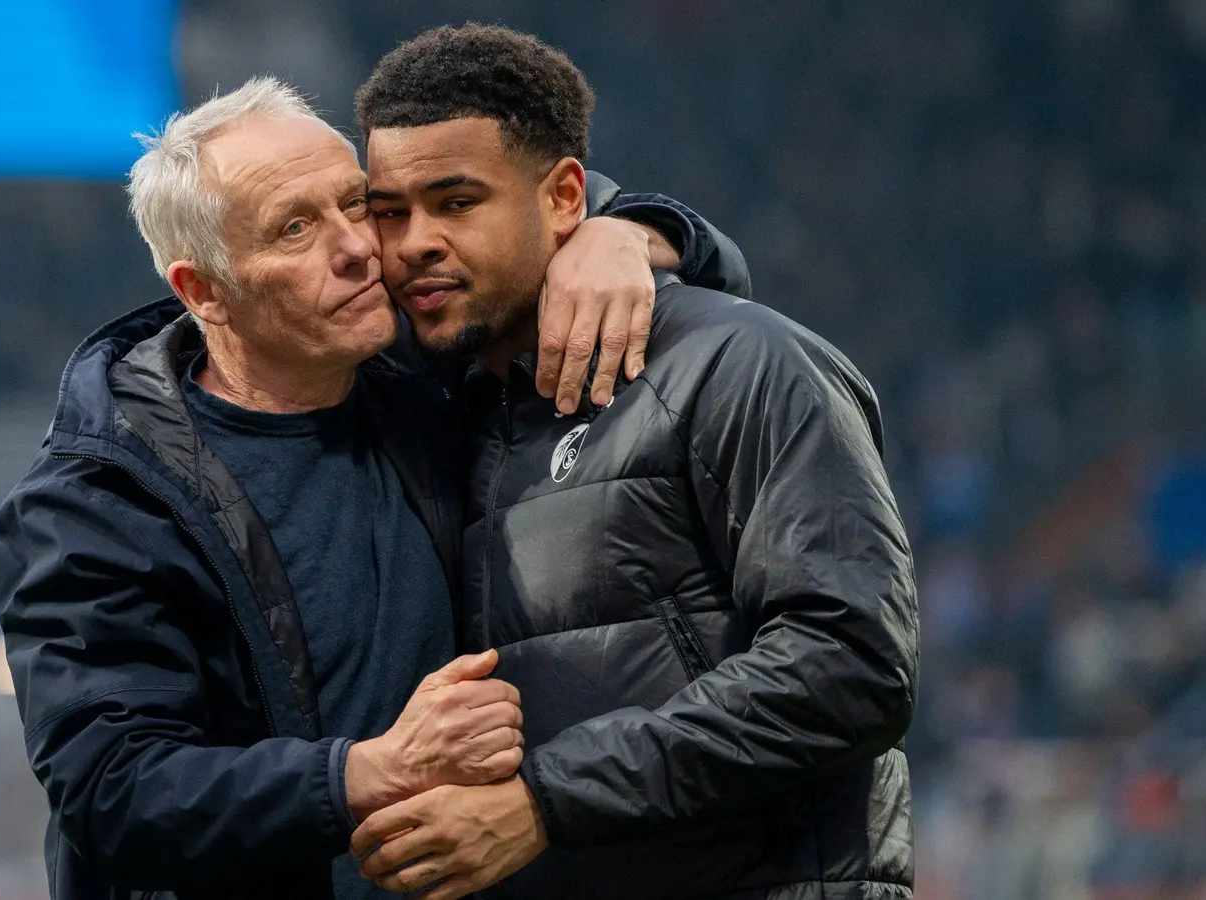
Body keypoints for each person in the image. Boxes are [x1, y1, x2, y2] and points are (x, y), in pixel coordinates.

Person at [0, 75, 748, 900]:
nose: (356, 247)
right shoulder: (97, 504)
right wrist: (368, 772)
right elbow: (114, 792)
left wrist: (625, 234)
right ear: (202, 290)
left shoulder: (431, 368)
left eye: (356, 205)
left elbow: (684, 258)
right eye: (296, 228)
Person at [349, 24, 919, 900]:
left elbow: (850, 665)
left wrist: (543, 801)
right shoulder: (428, 416)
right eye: (390, 213)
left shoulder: (740, 362)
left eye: (456, 202)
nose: (414, 242)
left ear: (565, 196)